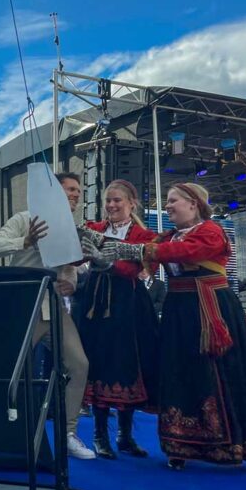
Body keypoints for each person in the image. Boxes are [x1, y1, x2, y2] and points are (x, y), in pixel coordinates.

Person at [101, 182, 246, 470]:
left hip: (212, 310)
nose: (168, 206)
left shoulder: (211, 231)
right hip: (179, 312)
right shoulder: (170, 236)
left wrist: (140, 250)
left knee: (230, 372)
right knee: (181, 372)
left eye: (174, 201)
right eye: (168, 202)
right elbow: (144, 254)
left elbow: (183, 252)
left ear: (194, 204)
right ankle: (183, 444)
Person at [0, 172, 95, 460]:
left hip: (54, 306)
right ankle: (0, 431)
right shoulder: (25, 218)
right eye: (69, 189)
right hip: (24, 305)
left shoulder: (73, 229)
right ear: (53, 193)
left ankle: (67, 433)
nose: (76, 195)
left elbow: (69, 269)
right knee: (12, 369)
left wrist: (70, 280)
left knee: (79, 365)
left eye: (78, 191)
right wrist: (25, 240)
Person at [77, 179, 158, 460]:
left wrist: (107, 261)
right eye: (108, 201)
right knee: (98, 362)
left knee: (127, 362)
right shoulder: (95, 228)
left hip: (128, 304)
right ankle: (100, 435)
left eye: (117, 201)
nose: (111, 205)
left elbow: (138, 267)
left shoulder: (143, 235)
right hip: (95, 303)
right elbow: (75, 258)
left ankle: (125, 435)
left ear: (131, 204)